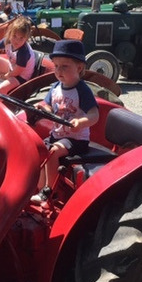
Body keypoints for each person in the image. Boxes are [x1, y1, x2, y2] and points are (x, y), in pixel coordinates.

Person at [30, 39, 99, 204]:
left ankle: (50, 192)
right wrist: (42, 109)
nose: (59, 71)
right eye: (56, 66)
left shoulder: (82, 90)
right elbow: (46, 105)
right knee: (38, 150)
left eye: (65, 66)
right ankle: (38, 189)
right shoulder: (55, 87)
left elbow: (94, 114)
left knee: (52, 152)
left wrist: (81, 122)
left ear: (79, 68)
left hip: (76, 140)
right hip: (57, 135)